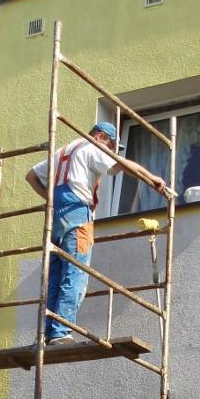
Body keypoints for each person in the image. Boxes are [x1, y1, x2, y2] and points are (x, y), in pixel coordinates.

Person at [25, 122, 172, 345]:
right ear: (101, 137)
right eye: (112, 146)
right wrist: (152, 178)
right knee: (76, 271)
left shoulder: (63, 150)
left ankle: (46, 333)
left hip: (57, 215)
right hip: (78, 214)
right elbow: (124, 165)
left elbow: (31, 176)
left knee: (55, 273)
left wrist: (52, 200)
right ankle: (60, 332)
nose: (112, 152)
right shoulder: (92, 147)